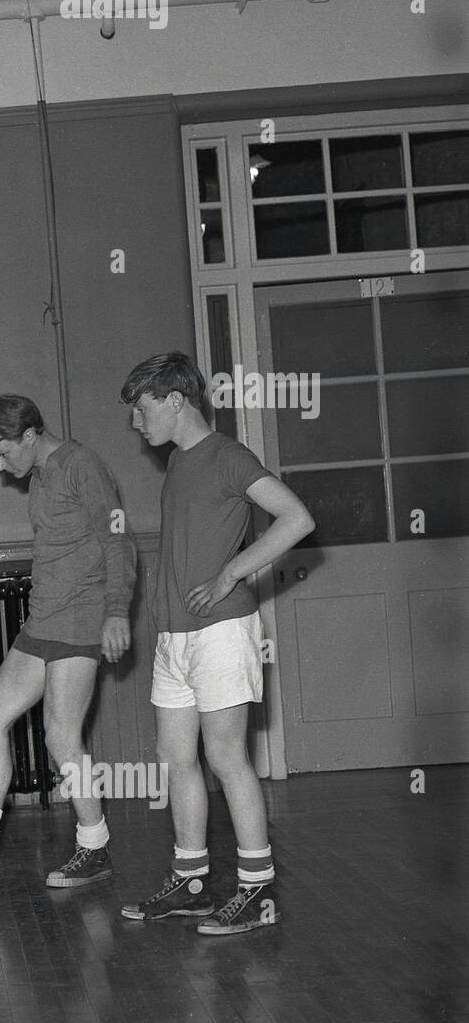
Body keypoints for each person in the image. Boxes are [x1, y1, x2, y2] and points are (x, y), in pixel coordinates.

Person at [118, 352, 314, 934]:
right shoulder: (179, 462)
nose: (136, 422)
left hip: (223, 632)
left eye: (142, 409)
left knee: (227, 758)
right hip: (176, 638)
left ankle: (256, 890)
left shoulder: (228, 456)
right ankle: (192, 880)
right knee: (176, 759)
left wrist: (230, 574)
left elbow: (296, 518)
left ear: (175, 400)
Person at [0, 395, 137, 886]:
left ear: (30, 435)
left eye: (4, 454)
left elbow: (118, 539)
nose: (2, 468)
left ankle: (93, 847)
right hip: (42, 623)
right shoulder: (41, 477)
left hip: (81, 621)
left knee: (60, 734)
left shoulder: (81, 466)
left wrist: (115, 612)